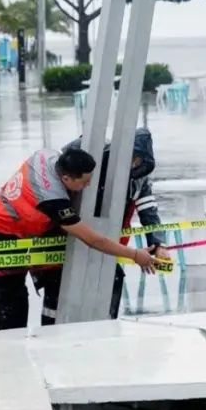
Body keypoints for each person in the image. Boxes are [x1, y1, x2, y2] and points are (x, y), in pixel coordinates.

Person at [0, 146, 156, 333]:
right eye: (84, 182)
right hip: (2, 229)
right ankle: (12, 344)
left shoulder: (47, 155)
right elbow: (94, 240)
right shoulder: (53, 199)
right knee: (13, 295)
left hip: (1, 214)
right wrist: (135, 255)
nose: (88, 186)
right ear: (66, 179)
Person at [31, 127, 169, 323]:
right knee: (58, 287)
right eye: (132, 158)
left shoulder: (139, 181)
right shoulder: (89, 153)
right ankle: (50, 331)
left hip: (108, 246)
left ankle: (107, 326)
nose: (133, 165)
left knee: (112, 280)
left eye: (138, 162)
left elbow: (149, 211)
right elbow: (59, 175)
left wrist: (158, 244)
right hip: (65, 239)